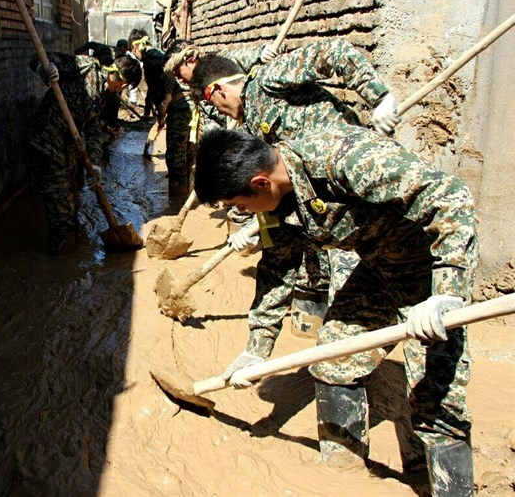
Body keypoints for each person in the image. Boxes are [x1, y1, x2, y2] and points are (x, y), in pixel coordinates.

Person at [195, 126, 477, 496]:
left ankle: (446, 487)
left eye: (241, 207)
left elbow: (452, 197)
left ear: (261, 182)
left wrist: (447, 293)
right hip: (379, 264)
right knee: (334, 360)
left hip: (432, 269)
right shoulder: (279, 201)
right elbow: (278, 269)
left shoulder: (345, 158)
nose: (243, 214)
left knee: (437, 398)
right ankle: (342, 469)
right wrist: (255, 349)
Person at [188, 38, 402, 338]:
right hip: (319, 210)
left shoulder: (268, 80)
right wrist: (256, 233)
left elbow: (335, 52)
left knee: (354, 296)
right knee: (318, 279)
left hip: (354, 190)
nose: (221, 113)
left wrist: (379, 99)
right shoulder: (250, 128)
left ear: (219, 90)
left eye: (214, 105)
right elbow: (271, 193)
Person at [28, 52, 141, 255]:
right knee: (61, 211)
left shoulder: (103, 97)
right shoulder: (87, 66)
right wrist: (45, 70)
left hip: (68, 146)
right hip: (47, 142)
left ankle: (70, 256)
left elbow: (94, 129)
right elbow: (39, 57)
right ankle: (60, 266)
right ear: (124, 84)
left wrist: (95, 164)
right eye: (127, 87)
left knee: (74, 201)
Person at [128, 29, 195, 194]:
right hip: (185, 105)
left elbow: (168, 71)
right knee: (186, 153)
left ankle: (177, 203)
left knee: (176, 157)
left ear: (136, 47)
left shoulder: (152, 57)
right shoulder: (152, 56)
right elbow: (152, 90)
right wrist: (159, 114)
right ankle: (185, 192)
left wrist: (166, 98)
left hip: (180, 106)